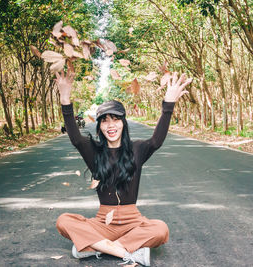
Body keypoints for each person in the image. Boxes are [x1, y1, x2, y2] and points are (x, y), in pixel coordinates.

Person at [55, 69, 192, 266]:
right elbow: (76, 138)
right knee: (64, 221)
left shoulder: (138, 149)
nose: (111, 125)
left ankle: (93, 248)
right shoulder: (94, 151)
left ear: (123, 123)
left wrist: (168, 104)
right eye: (105, 120)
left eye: (116, 119)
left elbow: (157, 140)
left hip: (133, 222)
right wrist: (65, 98)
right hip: (102, 223)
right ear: (100, 127)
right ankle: (126, 252)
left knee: (160, 229)